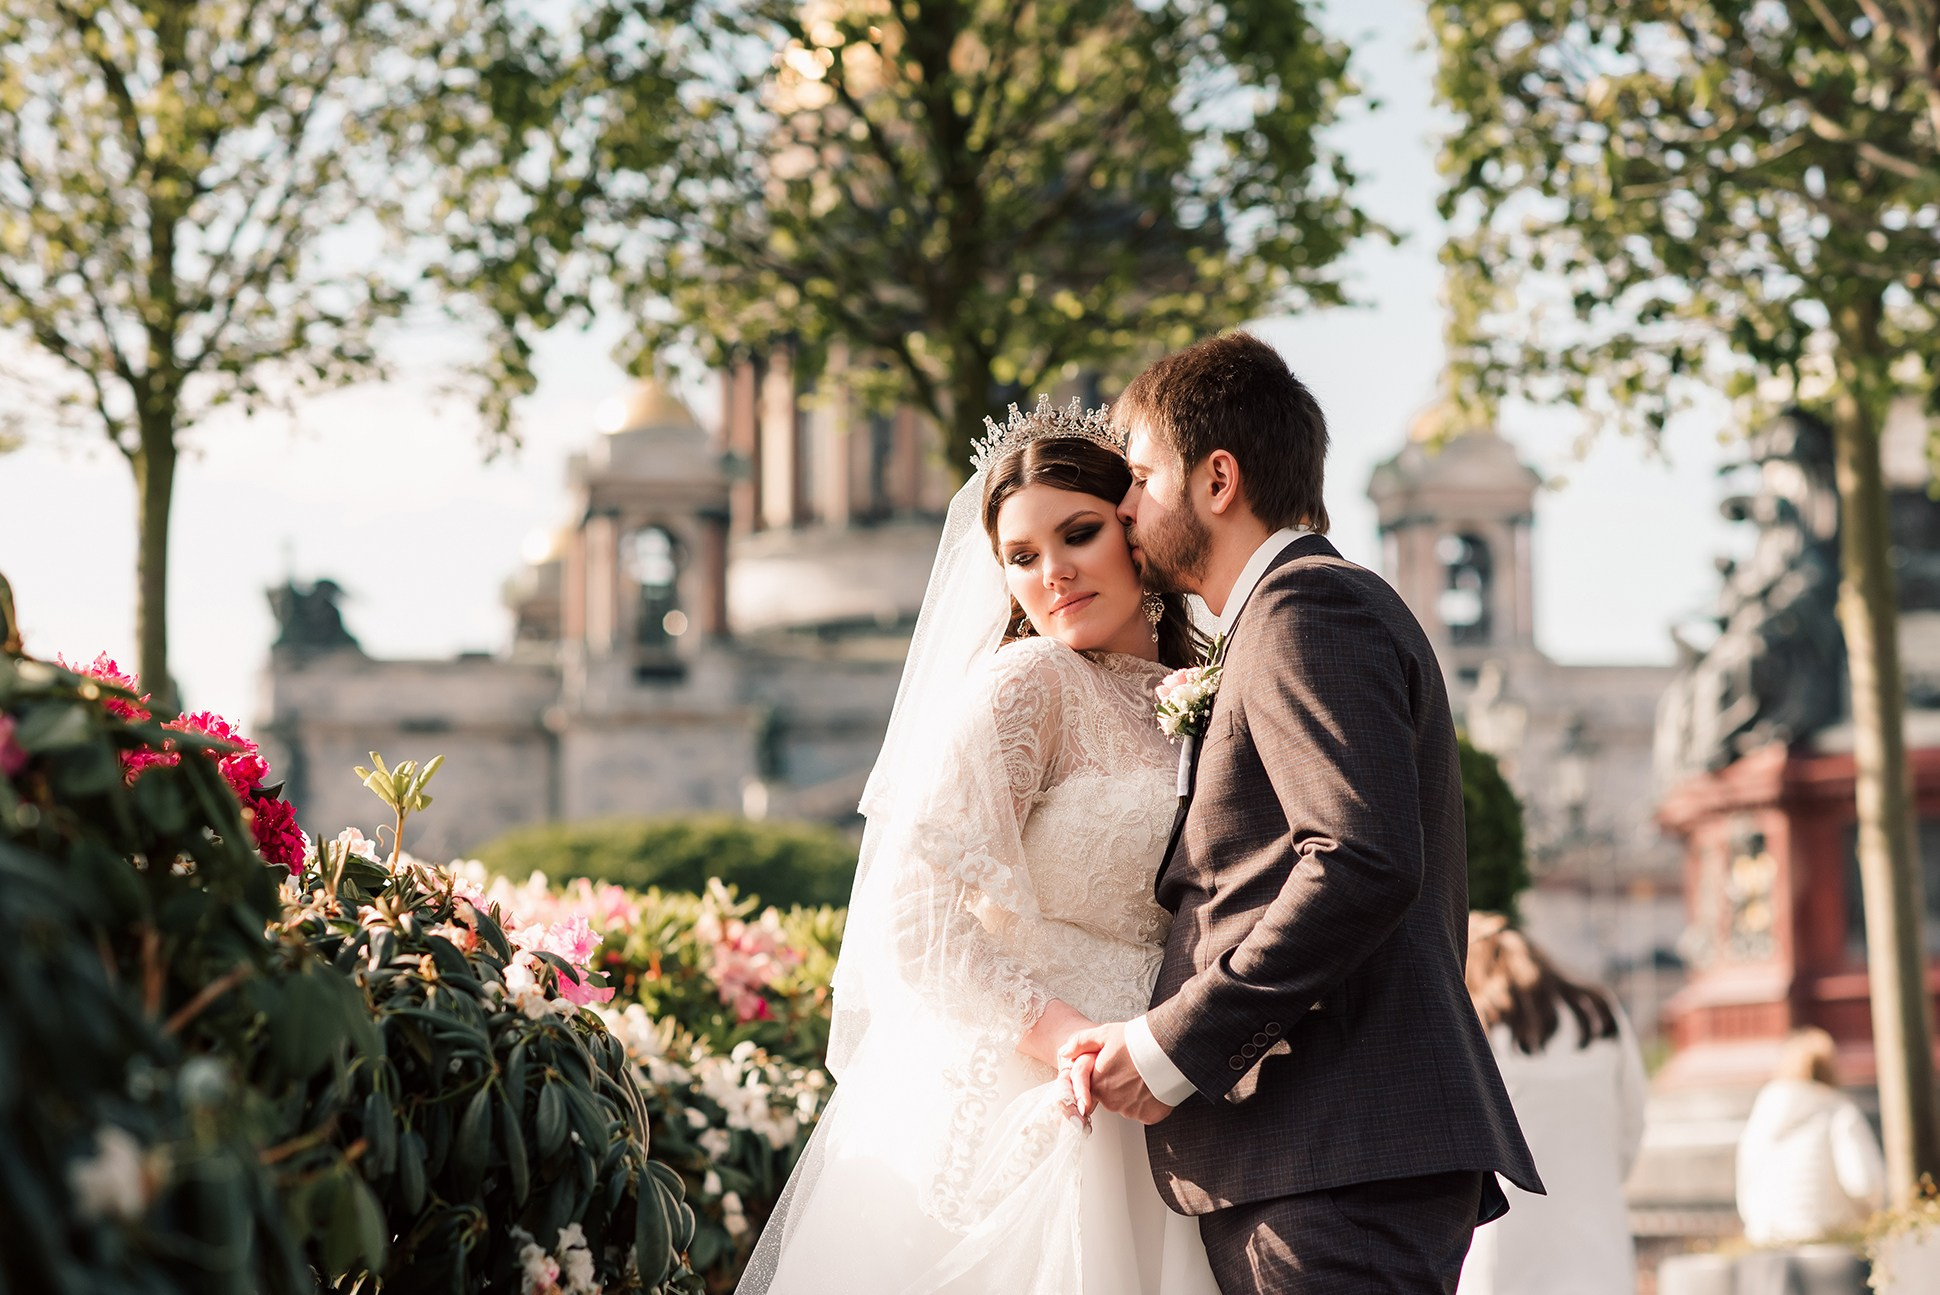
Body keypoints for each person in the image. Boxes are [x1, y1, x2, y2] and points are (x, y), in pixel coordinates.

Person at [1062, 330, 1543, 1294]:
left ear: (1218, 479)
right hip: (1324, 1155)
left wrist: (1171, 1044)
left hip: (1335, 1158)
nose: (1123, 505)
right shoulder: (1291, 614)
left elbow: (1360, 858)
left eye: (1142, 474)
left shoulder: (1306, 610)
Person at [736, 397, 1223, 1294]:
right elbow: (916, 923)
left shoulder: (1204, 695)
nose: (1054, 575)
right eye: (1022, 558)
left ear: (1135, 534)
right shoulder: (1025, 682)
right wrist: (1078, 1043)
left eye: (1079, 535)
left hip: (1166, 1083)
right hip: (1040, 1086)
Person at [1457, 913, 1647, 1295]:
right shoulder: (1599, 1012)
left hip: (1504, 1242)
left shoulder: (1475, 1022)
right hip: (1597, 1235)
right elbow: (1633, 1119)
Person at [1735, 1026, 1886, 1245]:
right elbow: (1864, 1183)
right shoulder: (1839, 1113)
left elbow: (1745, 1192)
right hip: (1829, 1241)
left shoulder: (1760, 1120)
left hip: (1767, 1242)